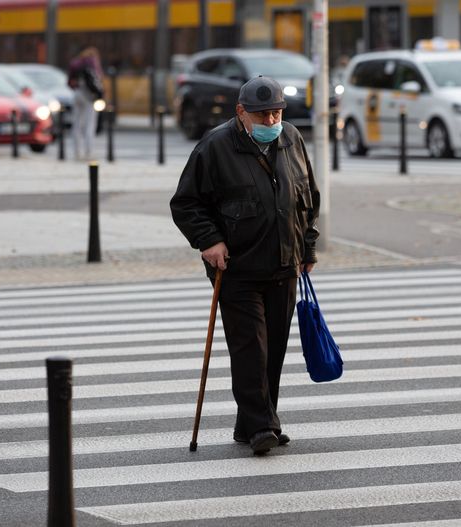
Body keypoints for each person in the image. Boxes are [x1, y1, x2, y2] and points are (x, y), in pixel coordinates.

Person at [170, 76, 321, 456]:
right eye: (262, 114)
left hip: (284, 264)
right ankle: (263, 426)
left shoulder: (292, 139)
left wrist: (307, 248)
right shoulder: (215, 146)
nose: (271, 121)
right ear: (241, 112)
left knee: (274, 349)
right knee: (250, 348)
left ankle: (249, 423)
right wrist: (209, 240)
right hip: (237, 268)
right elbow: (186, 203)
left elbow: (308, 198)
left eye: (276, 114)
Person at [67, 47, 104, 161]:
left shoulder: (76, 64)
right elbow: (98, 82)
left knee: (77, 124)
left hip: (77, 94)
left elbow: (69, 82)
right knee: (90, 124)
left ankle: (76, 152)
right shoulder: (92, 63)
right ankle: (89, 152)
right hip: (89, 96)